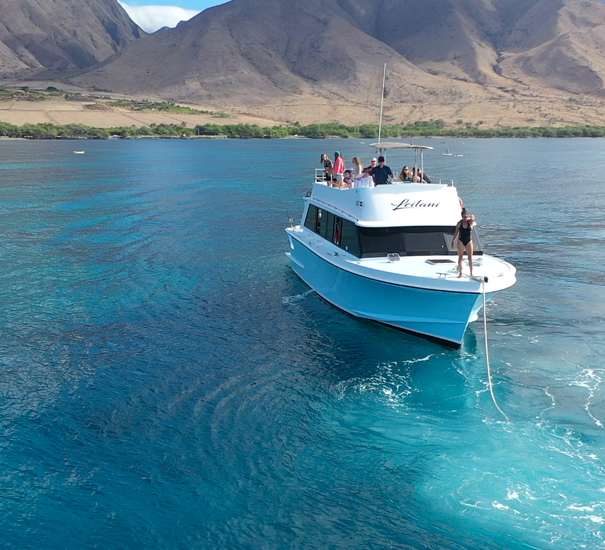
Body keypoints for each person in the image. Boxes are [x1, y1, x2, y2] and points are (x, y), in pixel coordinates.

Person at [452, 208, 476, 278]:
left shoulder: (470, 222)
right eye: (463, 217)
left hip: (468, 240)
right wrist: (453, 241)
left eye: (466, 217)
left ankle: (471, 273)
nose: (465, 218)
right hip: (461, 240)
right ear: (461, 217)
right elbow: (456, 233)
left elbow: (473, 218)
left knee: (470, 258)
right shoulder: (459, 223)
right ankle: (460, 273)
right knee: (460, 257)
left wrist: (470, 217)